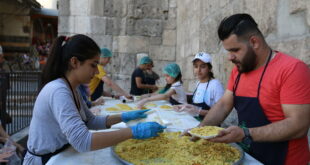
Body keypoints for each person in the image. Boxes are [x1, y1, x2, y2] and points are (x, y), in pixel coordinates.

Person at [184, 13, 310, 165]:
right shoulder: (238, 71)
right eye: (228, 51)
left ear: (254, 42)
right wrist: (199, 130)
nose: (230, 57)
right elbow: (224, 104)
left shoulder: (291, 69)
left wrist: (245, 133)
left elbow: (299, 126)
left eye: (235, 50)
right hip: (249, 158)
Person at [23, 35, 166, 165]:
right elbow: (82, 141)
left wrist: (123, 117)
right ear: (74, 62)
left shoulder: (72, 89)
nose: (97, 71)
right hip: (45, 160)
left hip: (61, 154)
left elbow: (90, 121)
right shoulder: (58, 91)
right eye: (93, 65)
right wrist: (133, 132)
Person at [173, 52, 224, 119]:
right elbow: (195, 105)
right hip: (195, 122)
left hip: (209, 126)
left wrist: (198, 111)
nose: (198, 70)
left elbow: (220, 113)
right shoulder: (198, 83)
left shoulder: (215, 85)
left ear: (209, 68)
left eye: (203, 66)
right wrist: (184, 106)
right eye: (196, 66)